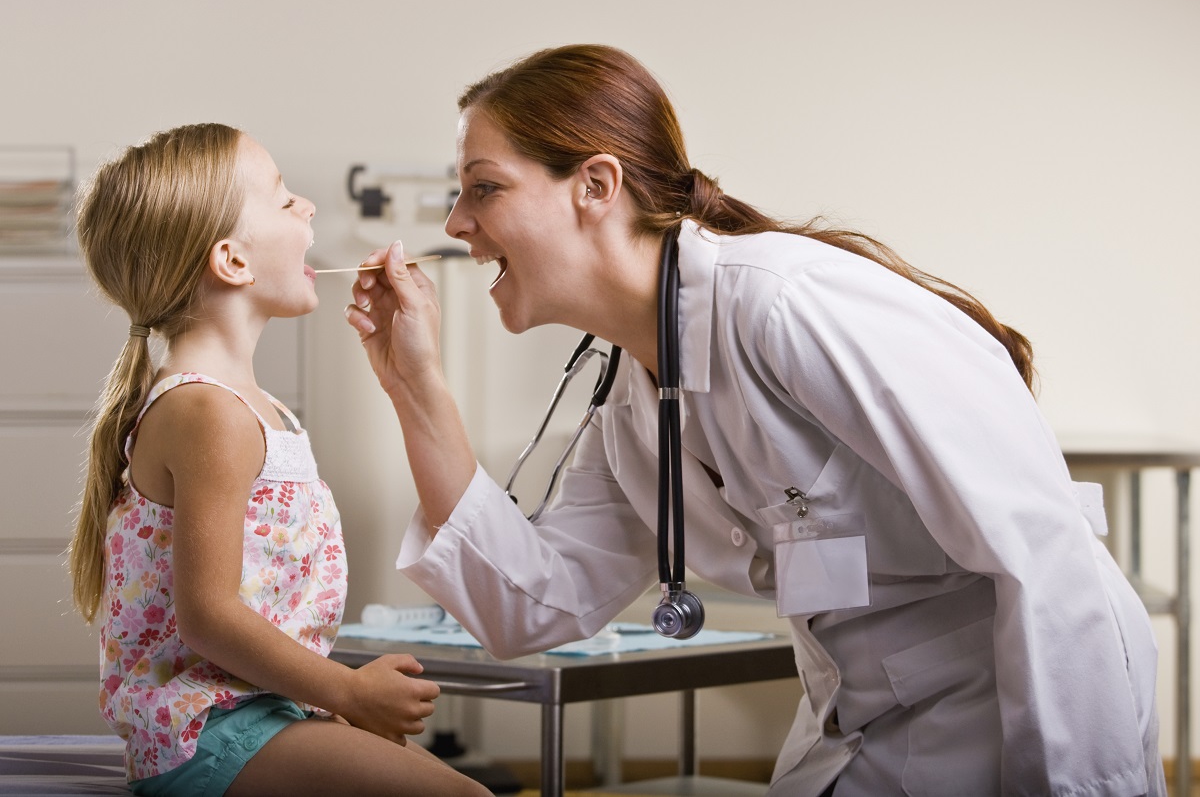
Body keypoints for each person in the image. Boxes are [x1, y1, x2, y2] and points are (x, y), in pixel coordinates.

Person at [345, 45, 1165, 796]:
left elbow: (1045, 556)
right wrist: (415, 385)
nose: (455, 224)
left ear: (596, 186)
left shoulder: (785, 304)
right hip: (854, 738)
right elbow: (531, 607)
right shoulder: (636, 400)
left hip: (1007, 735)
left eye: (483, 188)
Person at [68, 123, 490, 797]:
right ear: (232, 261)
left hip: (258, 714)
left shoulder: (254, 406)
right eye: (283, 198)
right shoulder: (206, 412)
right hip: (209, 731)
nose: (309, 208)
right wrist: (350, 693)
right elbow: (209, 616)